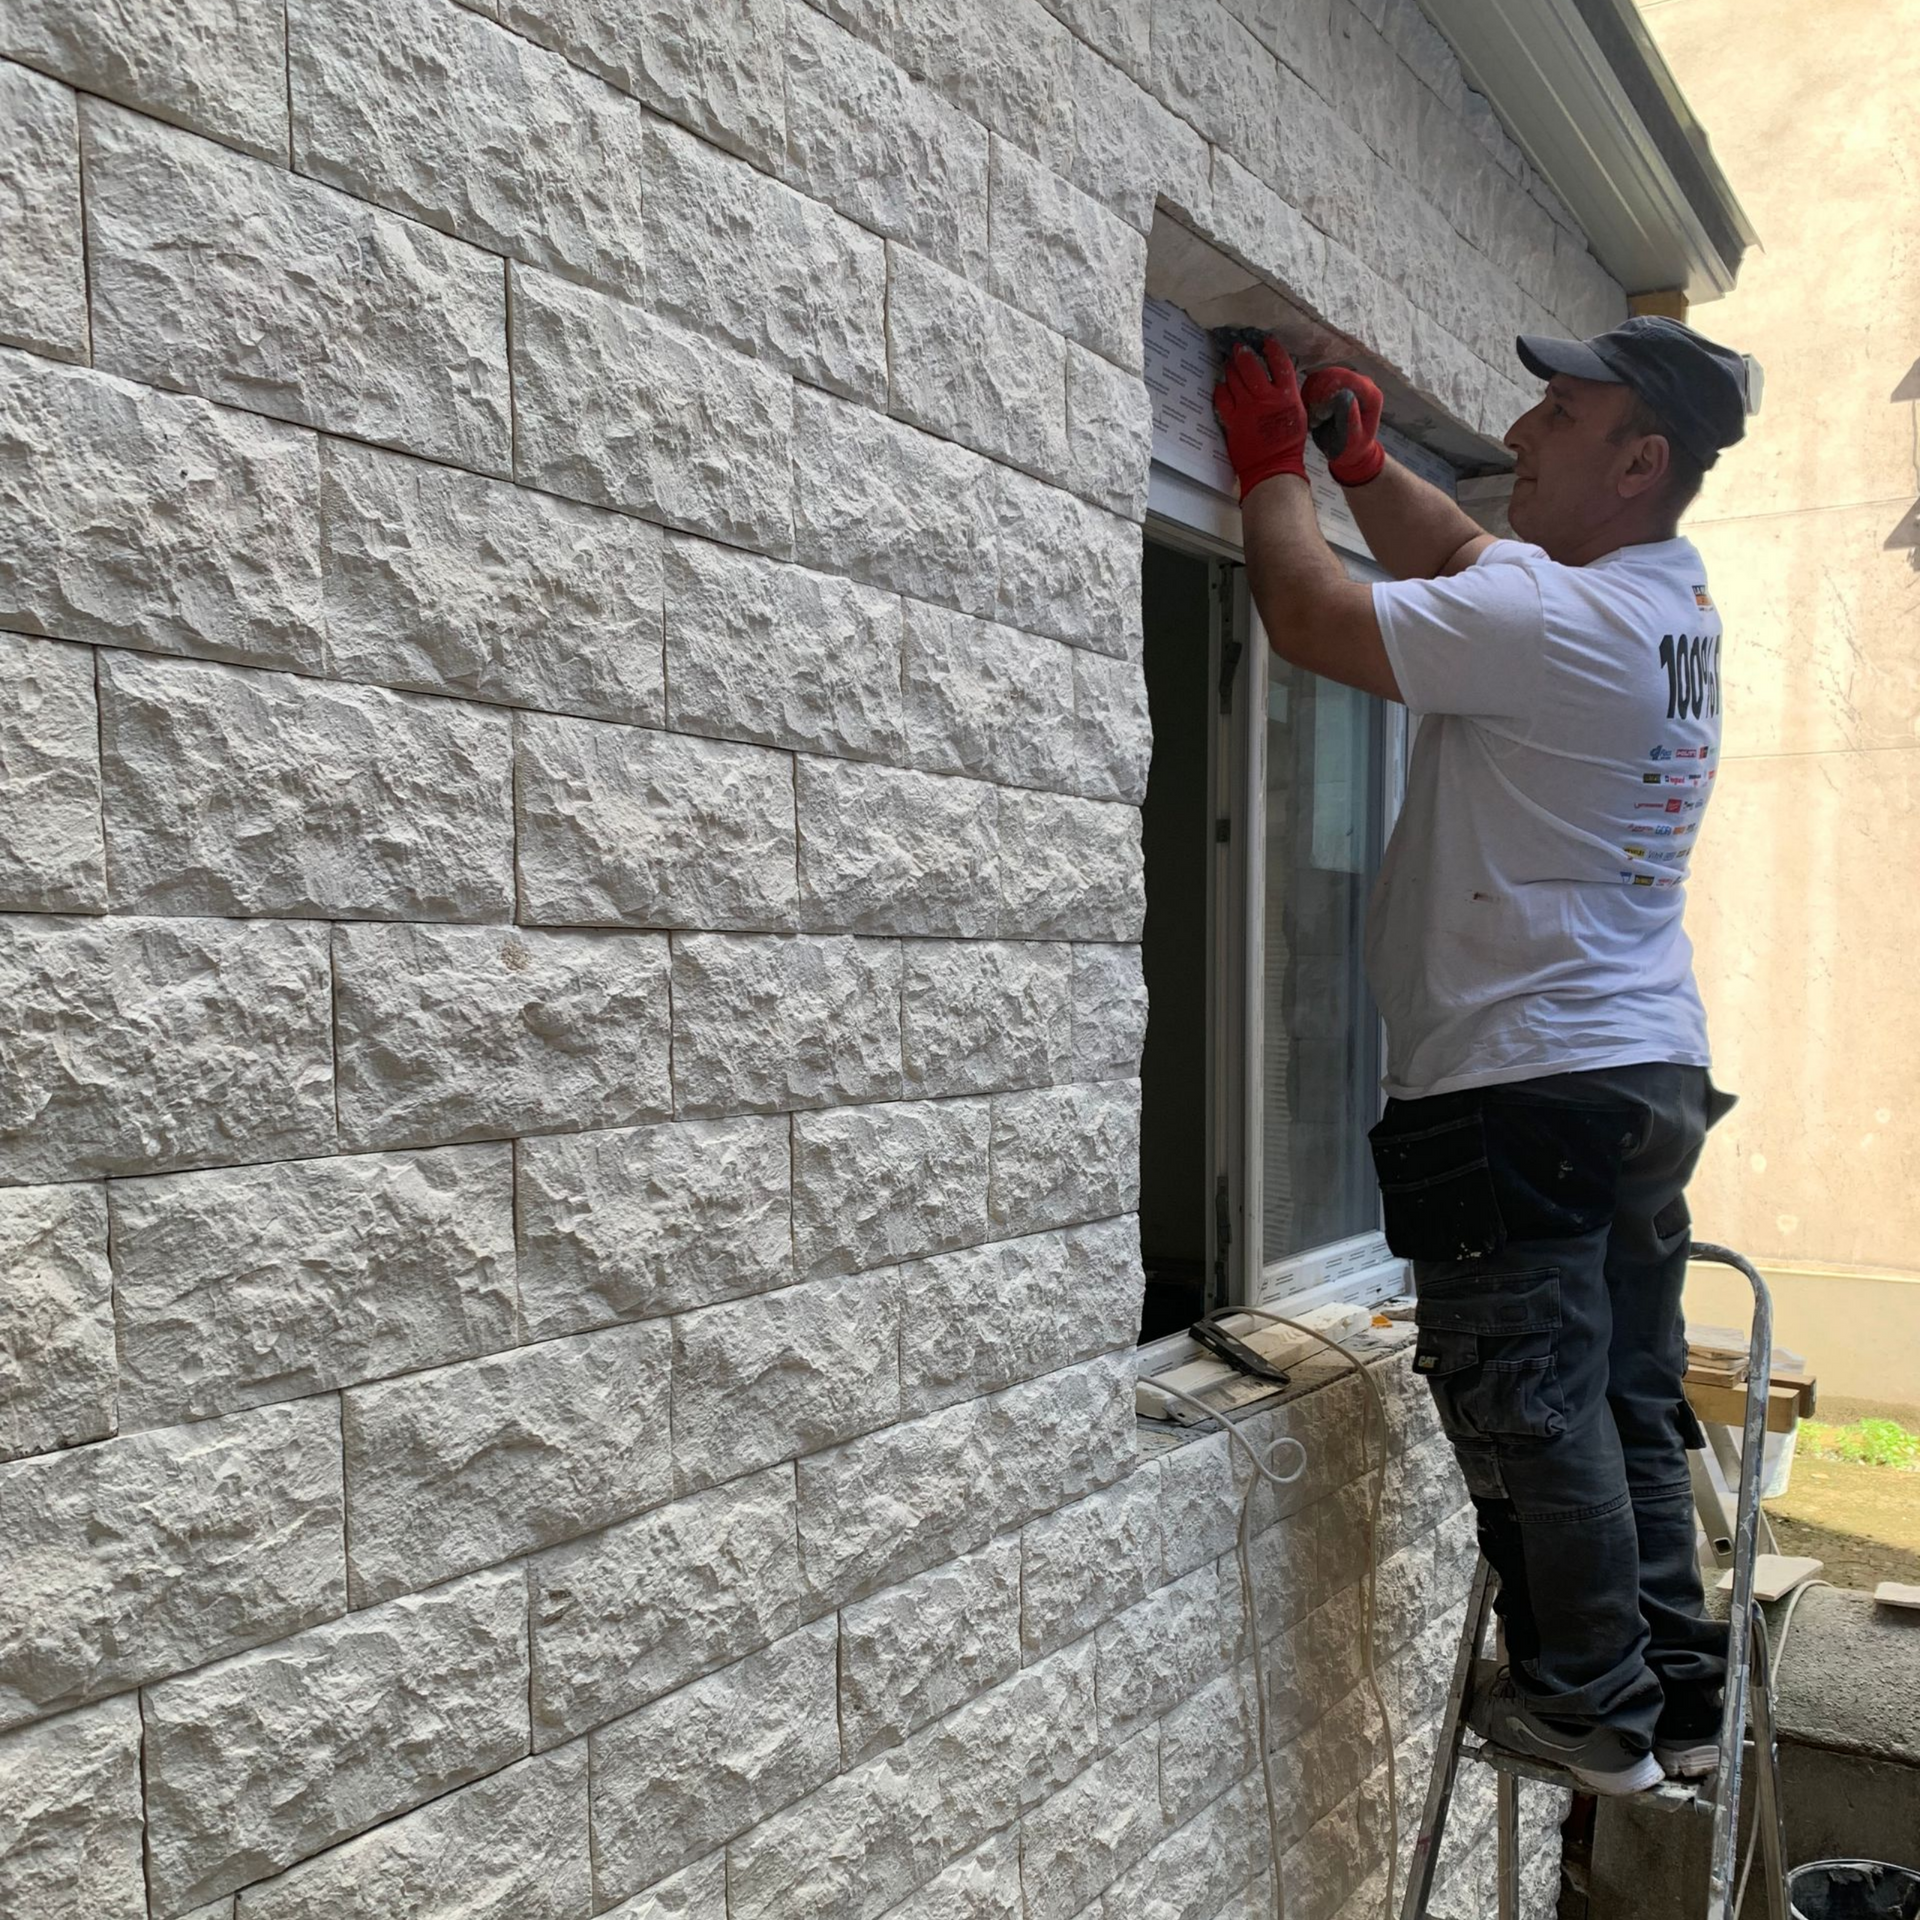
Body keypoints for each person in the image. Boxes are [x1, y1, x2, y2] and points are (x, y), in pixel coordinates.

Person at [1212, 316, 1757, 1796]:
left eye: (1558, 416)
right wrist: (1364, 466)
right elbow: (1468, 565)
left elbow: (1319, 620)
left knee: (1529, 1395)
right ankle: (1676, 1690)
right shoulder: (1662, 599)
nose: (1519, 435)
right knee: (1627, 1394)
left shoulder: (1566, 623)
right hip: (1635, 1067)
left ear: (1638, 462)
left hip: (1521, 1083)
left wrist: (1271, 475)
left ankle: (1585, 1703)